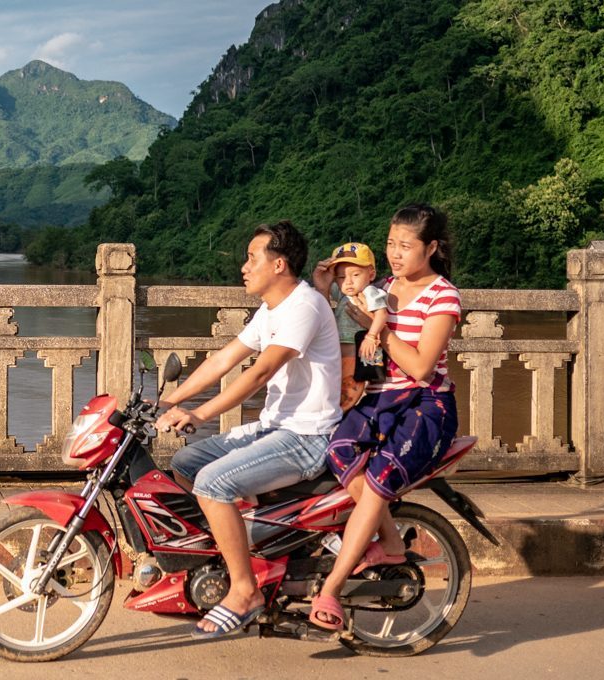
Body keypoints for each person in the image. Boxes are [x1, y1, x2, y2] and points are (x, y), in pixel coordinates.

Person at [155, 220, 342, 640]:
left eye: (252, 258)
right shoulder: (271, 309)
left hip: (306, 437)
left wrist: (198, 415)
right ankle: (241, 552)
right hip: (275, 427)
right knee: (186, 461)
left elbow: (259, 373)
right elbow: (224, 360)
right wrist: (169, 400)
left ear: (279, 264)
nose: (244, 266)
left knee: (211, 482)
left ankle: (244, 591)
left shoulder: (305, 306)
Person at [306, 204, 461, 631]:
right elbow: (331, 322)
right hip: (378, 399)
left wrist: (380, 330)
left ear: (430, 248)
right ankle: (391, 541)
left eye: (405, 246)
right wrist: (324, 289)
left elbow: (422, 367)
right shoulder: (383, 286)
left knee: (378, 480)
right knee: (338, 452)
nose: (395, 253)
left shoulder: (442, 295)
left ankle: (331, 590)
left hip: (425, 406)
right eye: (391, 243)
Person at [324, 242, 390, 411]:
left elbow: (382, 314)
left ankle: (339, 417)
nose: (348, 282)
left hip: (356, 349)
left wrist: (371, 335)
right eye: (341, 277)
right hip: (338, 349)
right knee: (332, 387)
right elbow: (325, 290)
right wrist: (320, 278)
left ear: (371, 274)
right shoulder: (343, 293)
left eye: (355, 275)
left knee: (351, 388)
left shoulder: (370, 292)